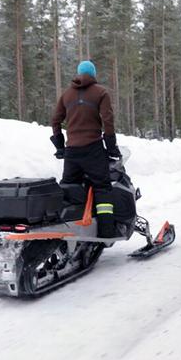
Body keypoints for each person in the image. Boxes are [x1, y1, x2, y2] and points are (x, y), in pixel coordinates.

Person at [51, 61, 121, 236]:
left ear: (78, 74)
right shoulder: (101, 92)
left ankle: (68, 231)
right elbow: (108, 120)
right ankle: (106, 232)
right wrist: (111, 147)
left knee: (69, 188)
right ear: (93, 73)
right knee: (102, 188)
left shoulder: (66, 95)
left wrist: (60, 147)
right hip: (93, 149)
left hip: (72, 152)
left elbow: (55, 121)